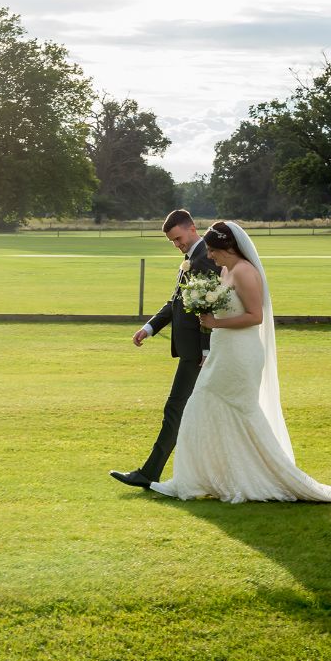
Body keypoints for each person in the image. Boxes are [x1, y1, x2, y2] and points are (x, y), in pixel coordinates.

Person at [150, 220, 331, 504]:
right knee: (202, 407)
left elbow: (255, 316)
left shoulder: (245, 272)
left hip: (241, 353)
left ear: (227, 247)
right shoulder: (224, 271)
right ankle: (197, 479)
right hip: (223, 351)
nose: (209, 256)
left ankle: (256, 476)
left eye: (212, 250)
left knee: (236, 411)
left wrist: (215, 322)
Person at [110, 209, 220, 490]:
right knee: (192, 411)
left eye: (179, 238)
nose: (177, 245)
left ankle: (150, 472)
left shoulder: (205, 259)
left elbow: (210, 307)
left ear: (192, 228)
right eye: (173, 241)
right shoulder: (190, 259)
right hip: (192, 352)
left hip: (198, 354)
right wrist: (148, 328)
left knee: (176, 409)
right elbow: (175, 303)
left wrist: (206, 351)